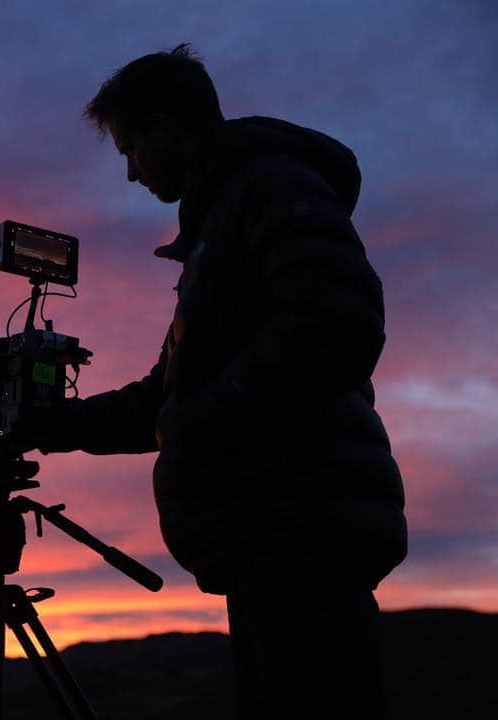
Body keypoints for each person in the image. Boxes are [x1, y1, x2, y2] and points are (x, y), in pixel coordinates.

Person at [37, 44, 407, 718]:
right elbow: (168, 396)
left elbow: (337, 323)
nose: (129, 174)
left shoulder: (269, 185)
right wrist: (60, 425)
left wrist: (201, 421)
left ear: (165, 128)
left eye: (130, 150)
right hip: (269, 530)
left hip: (300, 527)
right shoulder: (223, 219)